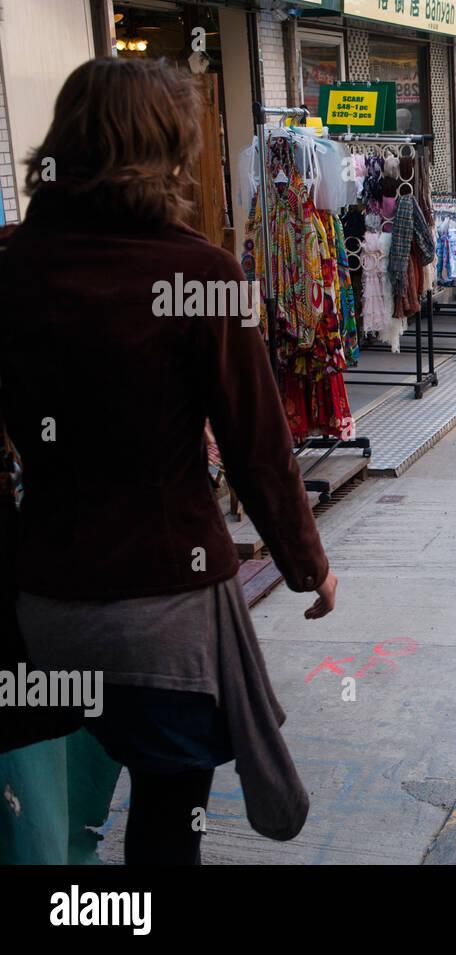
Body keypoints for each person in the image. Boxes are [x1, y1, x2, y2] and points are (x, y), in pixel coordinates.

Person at [0, 57, 339, 864]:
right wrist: (308, 564)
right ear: (170, 153)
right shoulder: (203, 275)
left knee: (51, 799)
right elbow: (260, 451)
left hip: (42, 601)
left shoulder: (11, 266)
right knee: (166, 815)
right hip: (166, 615)